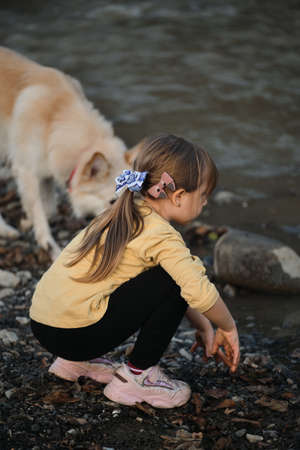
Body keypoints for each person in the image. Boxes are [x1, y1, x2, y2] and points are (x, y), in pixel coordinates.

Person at [30, 134, 240, 409]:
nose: (204, 204)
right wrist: (228, 326)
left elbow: (165, 287)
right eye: (202, 196)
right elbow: (194, 289)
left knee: (162, 278)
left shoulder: (120, 212)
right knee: (175, 278)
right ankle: (138, 377)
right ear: (178, 196)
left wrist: (202, 323)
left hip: (44, 324)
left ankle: (75, 363)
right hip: (77, 335)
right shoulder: (162, 236)